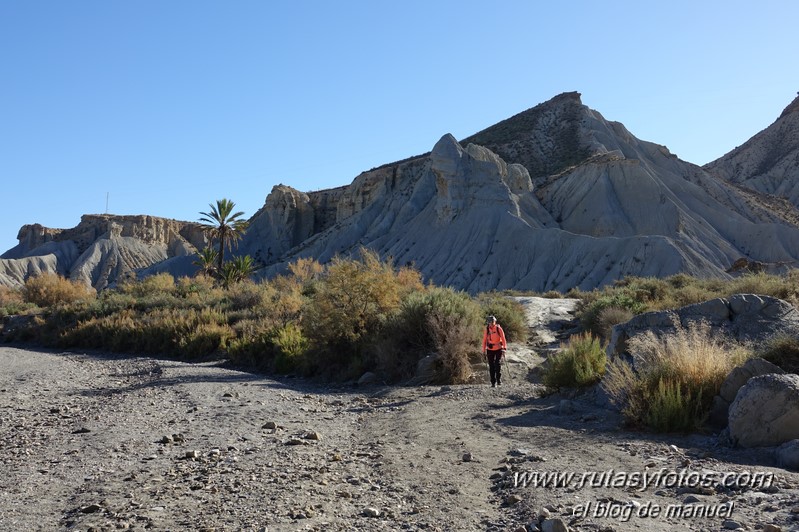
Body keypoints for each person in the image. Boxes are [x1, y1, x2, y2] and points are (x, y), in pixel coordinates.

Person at [482, 315, 507, 387]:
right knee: (491, 366)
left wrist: (504, 349)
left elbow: (503, 339)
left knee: (497, 363)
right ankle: (493, 382)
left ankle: (498, 379)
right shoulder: (487, 329)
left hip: (499, 348)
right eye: (489, 322)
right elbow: (484, 340)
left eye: (492, 322)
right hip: (490, 349)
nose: (491, 323)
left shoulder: (499, 329)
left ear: (495, 322)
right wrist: (483, 351)